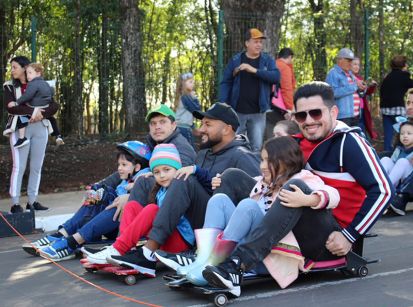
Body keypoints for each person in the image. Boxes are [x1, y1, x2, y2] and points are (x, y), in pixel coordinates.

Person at [202, 81, 393, 296]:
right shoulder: (298, 142)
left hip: (331, 238)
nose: (309, 121)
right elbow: (269, 173)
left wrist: (350, 236)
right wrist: (222, 179)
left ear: (333, 111)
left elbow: (384, 190)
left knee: (296, 186)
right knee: (232, 176)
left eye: (316, 113)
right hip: (294, 223)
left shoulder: (349, 142)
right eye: (302, 116)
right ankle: (207, 257)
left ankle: (236, 265)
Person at [89, 103, 261, 272]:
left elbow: (256, 198)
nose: (201, 129)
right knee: (145, 181)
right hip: (192, 215)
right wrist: (154, 175)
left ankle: (148, 252)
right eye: (202, 124)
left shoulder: (242, 155)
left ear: (226, 129)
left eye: (208, 124)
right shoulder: (203, 154)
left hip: (219, 225)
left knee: (183, 178)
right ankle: (123, 248)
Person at [157, 136, 340, 287]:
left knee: (249, 206)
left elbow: (333, 195)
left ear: (286, 161)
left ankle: (231, 267)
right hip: (250, 243)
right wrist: (218, 180)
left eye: (269, 160)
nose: (262, 165)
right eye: (262, 159)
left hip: (270, 255)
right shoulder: (263, 183)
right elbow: (238, 181)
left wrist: (308, 199)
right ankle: (202, 260)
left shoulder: (302, 178)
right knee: (220, 199)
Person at [85, 144, 204, 277]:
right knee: (132, 206)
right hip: (162, 240)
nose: (162, 175)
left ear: (177, 169)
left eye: (167, 170)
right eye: (157, 172)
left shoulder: (181, 187)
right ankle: (122, 249)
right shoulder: (160, 191)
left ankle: (119, 248)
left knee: (152, 209)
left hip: (180, 244)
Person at [22, 141, 151, 261]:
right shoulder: (125, 179)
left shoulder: (144, 179)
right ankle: (61, 234)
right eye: (119, 164)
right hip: (112, 225)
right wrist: (95, 191)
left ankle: (70, 243)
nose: (119, 168)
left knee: (117, 204)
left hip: (127, 226)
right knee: (99, 195)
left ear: (138, 167)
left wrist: (130, 193)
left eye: (124, 165)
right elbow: (106, 184)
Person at [4, 56, 59, 213]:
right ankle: (15, 203)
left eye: (14, 67)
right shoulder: (9, 87)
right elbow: (11, 108)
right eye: (12, 67)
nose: (12, 70)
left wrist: (42, 114)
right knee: (19, 166)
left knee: (36, 166)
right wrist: (33, 111)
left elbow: (54, 105)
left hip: (41, 127)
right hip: (20, 128)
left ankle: (32, 201)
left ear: (24, 67)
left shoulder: (41, 83)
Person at [219, 28, 279, 152]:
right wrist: (223, 103)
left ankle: (254, 171)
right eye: (255, 42)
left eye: (260, 42)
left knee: (256, 147)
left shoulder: (267, 60)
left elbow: (276, 77)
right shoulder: (236, 60)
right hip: (237, 112)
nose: (259, 45)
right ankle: (233, 170)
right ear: (247, 43)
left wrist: (254, 70)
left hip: (258, 112)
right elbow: (226, 82)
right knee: (232, 145)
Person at [326, 48, 367, 126]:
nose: (351, 63)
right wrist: (355, 86)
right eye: (348, 61)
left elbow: (358, 93)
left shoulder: (350, 74)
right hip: (342, 116)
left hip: (355, 115)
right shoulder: (333, 73)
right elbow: (332, 93)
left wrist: (362, 88)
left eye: (351, 61)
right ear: (340, 60)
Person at [380, 55, 413, 151]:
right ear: (404, 65)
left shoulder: (388, 77)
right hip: (397, 108)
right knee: (403, 132)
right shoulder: (404, 76)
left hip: (385, 109)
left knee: (388, 134)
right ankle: (401, 152)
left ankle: (387, 153)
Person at [381, 119, 413, 216]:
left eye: (409, 133)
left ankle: (386, 191)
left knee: (402, 161)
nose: (405, 136)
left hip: (408, 182)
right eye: (402, 133)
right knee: (386, 159)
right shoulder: (398, 150)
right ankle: (379, 188)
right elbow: (393, 166)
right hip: (396, 180)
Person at [350, 57, 378, 139]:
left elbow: (365, 92)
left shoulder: (360, 78)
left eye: (358, 65)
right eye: (354, 64)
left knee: (361, 128)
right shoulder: (347, 79)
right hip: (352, 109)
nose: (357, 67)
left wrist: (372, 86)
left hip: (361, 108)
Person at [173, 72, 201, 149]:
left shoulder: (182, 96)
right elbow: (196, 111)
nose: (193, 84)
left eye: (193, 82)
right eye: (190, 82)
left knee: (183, 148)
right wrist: (195, 98)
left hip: (180, 127)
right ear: (184, 84)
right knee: (190, 149)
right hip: (184, 129)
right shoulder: (186, 97)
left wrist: (193, 127)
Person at [275, 48, 296, 112]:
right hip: (279, 106)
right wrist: (290, 108)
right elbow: (287, 89)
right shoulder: (284, 68)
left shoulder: (274, 64)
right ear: (290, 57)